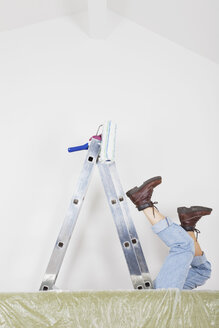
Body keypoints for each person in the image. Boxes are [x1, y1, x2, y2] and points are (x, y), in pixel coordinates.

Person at [126, 176, 212, 289]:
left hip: (161, 302)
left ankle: (142, 202)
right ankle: (188, 226)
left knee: (184, 245)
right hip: (170, 301)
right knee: (203, 271)